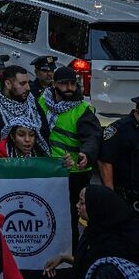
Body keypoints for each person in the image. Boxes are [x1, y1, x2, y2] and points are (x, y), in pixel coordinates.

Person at [38, 66, 102, 248]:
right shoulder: (43, 100)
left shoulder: (82, 110)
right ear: (54, 85)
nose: (69, 88)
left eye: (72, 84)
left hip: (74, 173)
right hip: (48, 169)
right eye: (64, 84)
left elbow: (92, 137)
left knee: (70, 218)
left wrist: (87, 154)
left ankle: (71, 255)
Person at [43, 185, 139, 279]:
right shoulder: (94, 229)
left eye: (82, 203)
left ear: (97, 206)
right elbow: (89, 264)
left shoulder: (115, 245)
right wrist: (63, 258)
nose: (77, 205)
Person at [98, 94, 139, 212]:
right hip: (128, 196)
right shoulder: (119, 129)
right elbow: (105, 161)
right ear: (137, 112)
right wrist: (110, 195)